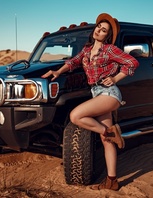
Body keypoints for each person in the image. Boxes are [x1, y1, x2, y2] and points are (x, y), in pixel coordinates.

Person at [42, 13, 139, 191]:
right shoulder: (86, 50)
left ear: (107, 36)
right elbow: (73, 62)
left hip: (109, 94)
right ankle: (112, 180)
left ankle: (110, 132)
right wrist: (58, 72)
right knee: (106, 140)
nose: (99, 31)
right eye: (98, 27)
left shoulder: (110, 50)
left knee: (75, 115)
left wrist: (116, 78)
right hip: (97, 94)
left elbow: (132, 62)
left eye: (103, 30)